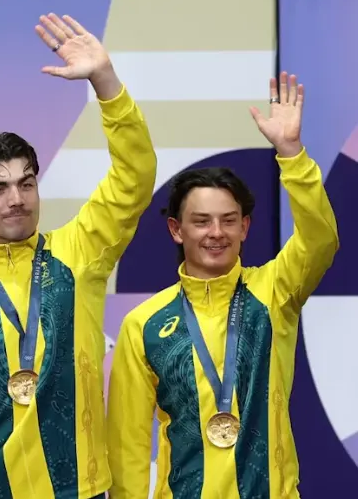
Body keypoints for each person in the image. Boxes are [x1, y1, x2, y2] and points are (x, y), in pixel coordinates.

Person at [0, 13, 158, 499]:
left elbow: (134, 177)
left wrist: (106, 83)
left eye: (26, 183)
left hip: (80, 490)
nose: (16, 199)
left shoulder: (80, 252)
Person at [106, 72, 339, 498]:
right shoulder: (144, 324)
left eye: (229, 220)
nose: (216, 233)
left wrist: (292, 154)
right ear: (176, 230)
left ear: (245, 227)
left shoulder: (274, 291)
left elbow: (320, 239)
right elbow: (128, 444)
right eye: (201, 221)